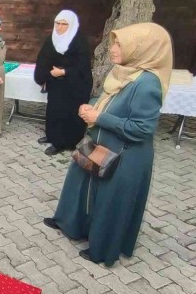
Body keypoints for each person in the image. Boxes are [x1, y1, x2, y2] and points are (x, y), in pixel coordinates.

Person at [44, 22, 173, 267]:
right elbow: (108, 99)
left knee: (111, 200)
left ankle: (102, 250)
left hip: (126, 155)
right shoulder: (124, 71)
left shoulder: (147, 84)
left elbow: (143, 129)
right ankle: (69, 224)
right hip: (101, 143)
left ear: (141, 48)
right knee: (79, 183)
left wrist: (99, 118)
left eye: (119, 44)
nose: (112, 48)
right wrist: (92, 106)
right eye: (114, 42)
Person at [34, 10, 92, 155]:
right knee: (54, 110)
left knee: (70, 113)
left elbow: (83, 65)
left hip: (75, 86)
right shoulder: (52, 39)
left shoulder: (79, 41)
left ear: (71, 25)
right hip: (56, 83)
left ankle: (65, 143)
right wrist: (42, 77)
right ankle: (53, 136)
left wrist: (64, 71)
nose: (59, 27)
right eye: (57, 23)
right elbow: (43, 59)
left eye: (64, 24)